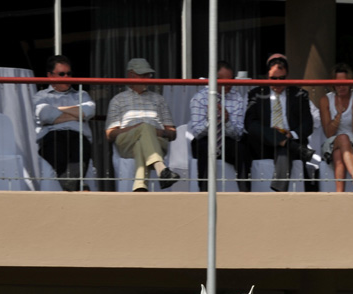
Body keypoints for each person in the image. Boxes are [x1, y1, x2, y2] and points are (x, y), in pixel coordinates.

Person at [105, 58, 180, 192]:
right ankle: (161, 169)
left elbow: (172, 133)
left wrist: (159, 132)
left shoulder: (159, 99)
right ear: (131, 75)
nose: (147, 79)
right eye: (143, 75)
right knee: (144, 128)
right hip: (127, 141)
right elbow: (110, 134)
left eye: (148, 75)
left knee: (142, 141)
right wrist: (137, 128)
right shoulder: (118, 100)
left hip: (157, 140)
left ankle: (140, 185)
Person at [244, 53, 316, 192]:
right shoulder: (256, 94)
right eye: (273, 78)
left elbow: (308, 124)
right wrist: (272, 134)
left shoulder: (299, 94)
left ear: (287, 76)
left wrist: (291, 134)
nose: (278, 82)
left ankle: (278, 191)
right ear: (267, 76)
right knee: (259, 129)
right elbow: (250, 124)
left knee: (284, 149)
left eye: (282, 78)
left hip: (291, 141)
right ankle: (286, 143)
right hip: (263, 144)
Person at [34, 54, 95, 192]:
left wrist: (57, 111)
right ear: (50, 76)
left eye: (69, 74)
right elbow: (45, 115)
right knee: (57, 152)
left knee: (81, 152)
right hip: (52, 136)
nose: (67, 77)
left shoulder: (82, 94)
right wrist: (76, 114)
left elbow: (88, 111)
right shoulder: (41, 96)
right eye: (62, 74)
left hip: (78, 136)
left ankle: (69, 187)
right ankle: (76, 186)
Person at [188, 60, 249, 192]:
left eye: (231, 81)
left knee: (241, 150)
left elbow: (238, 134)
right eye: (224, 81)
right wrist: (212, 121)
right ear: (214, 79)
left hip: (227, 140)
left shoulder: (237, 98)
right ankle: (204, 193)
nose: (228, 85)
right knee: (204, 148)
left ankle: (245, 193)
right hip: (205, 139)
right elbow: (197, 132)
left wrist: (226, 121)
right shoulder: (200, 98)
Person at [319, 63, 353, 192]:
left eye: (345, 83)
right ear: (333, 84)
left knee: (339, 153)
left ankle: (339, 194)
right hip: (331, 143)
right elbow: (329, 133)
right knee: (342, 138)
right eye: (338, 83)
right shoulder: (325, 100)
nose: (341, 86)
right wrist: (338, 116)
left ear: (350, 82)